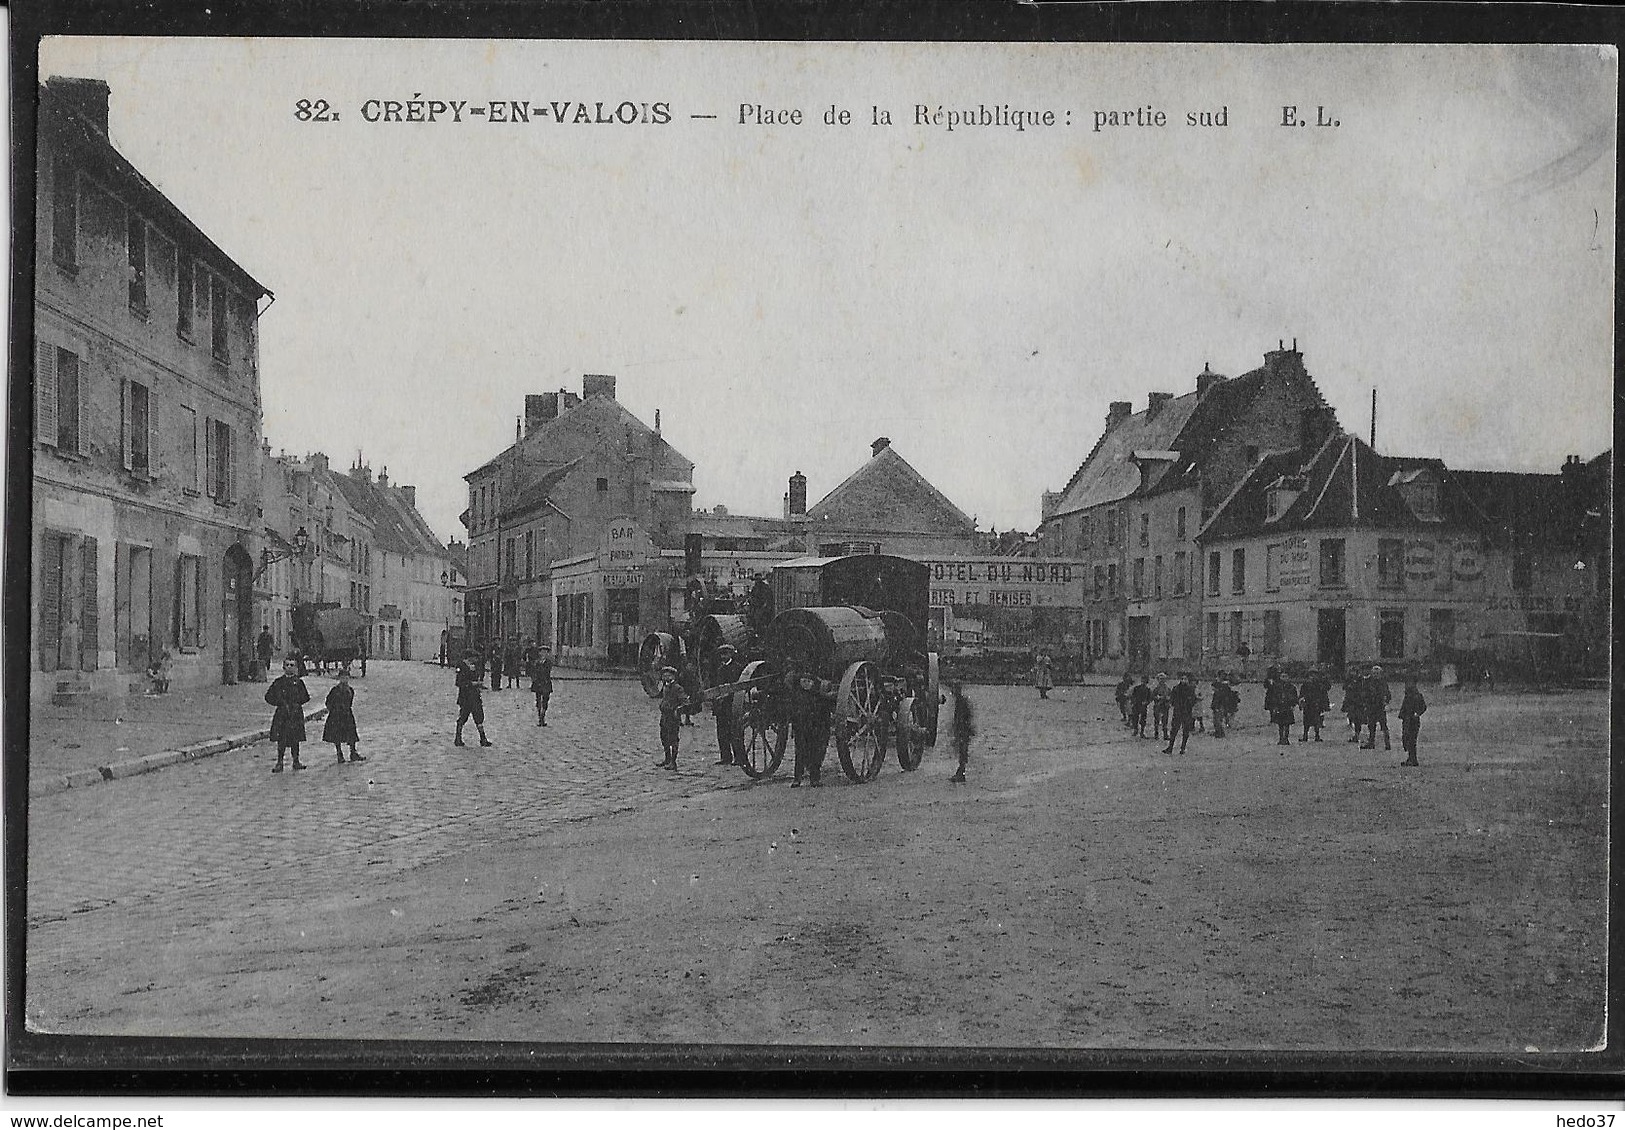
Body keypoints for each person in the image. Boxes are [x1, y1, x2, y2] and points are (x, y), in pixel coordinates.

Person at [265, 658, 311, 772]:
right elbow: (268, 696)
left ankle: (296, 761)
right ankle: (280, 762)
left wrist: (296, 704)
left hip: (295, 715)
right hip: (283, 715)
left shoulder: (299, 682)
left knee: (295, 739)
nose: (290, 667)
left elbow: (305, 697)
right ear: (284, 667)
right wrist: (279, 703)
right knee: (282, 739)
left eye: (292, 665)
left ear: (295, 668)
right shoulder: (278, 682)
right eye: (287, 665)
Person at [787, 666, 829, 788]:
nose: (806, 684)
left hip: (816, 729)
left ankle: (814, 778)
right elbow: (793, 713)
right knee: (800, 752)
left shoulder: (819, 696)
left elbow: (825, 715)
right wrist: (793, 729)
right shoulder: (796, 697)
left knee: (815, 752)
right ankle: (797, 778)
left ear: (813, 683)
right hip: (801, 729)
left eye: (809, 682)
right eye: (803, 681)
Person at [710, 644, 746, 766]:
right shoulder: (719, 669)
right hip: (721, 706)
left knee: (734, 731)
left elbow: (739, 687)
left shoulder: (738, 668)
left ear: (731, 654)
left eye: (726, 654)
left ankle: (738, 757)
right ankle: (725, 757)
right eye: (722, 654)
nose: (723, 656)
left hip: (732, 704)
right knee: (721, 732)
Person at [323, 669, 364, 763]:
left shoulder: (350, 690)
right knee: (337, 735)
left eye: (346, 678)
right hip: (336, 715)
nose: (344, 680)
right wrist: (333, 710)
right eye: (342, 678)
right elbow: (328, 701)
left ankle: (353, 752)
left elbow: (350, 702)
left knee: (351, 734)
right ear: (339, 679)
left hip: (347, 714)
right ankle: (339, 754)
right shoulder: (335, 690)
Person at [455, 652, 493, 747]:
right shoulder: (462, 667)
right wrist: (472, 684)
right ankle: (458, 738)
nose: (477, 660)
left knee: (478, 716)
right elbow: (459, 682)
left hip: (474, 696)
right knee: (463, 716)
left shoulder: (474, 666)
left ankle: (483, 738)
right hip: (465, 696)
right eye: (475, 658)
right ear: (470, 657)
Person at [655, 666, 687, 770]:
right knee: (664, 738)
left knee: (673, 739)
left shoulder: (677, 688)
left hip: (673, 717)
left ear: (673, 676)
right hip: (664, 716)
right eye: (664, 675)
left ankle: (673, 762)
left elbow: (684, 702)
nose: (665, 677)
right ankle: (667, 759)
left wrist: (677, 710)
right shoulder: (665, 687)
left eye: (668, 675)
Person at [947, 679, 975, 783]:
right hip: (963, 729)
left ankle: (961, 774)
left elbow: (963, 717)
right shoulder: (961, 701)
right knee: (962, 752)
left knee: (962, 752)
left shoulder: (961, 702)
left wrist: (959, 728)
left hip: (963, 730)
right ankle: (960, 773)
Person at [1164, 673, 1197, 755]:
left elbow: (1193, 700)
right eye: (1182, 679)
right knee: (1174, 730)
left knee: (1186, 731)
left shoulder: (1190, 689)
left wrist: (1188, 705)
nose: (1183, 680)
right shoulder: (1176, 688)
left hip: (1186, 712)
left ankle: (1183, 748)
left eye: (1185, 679)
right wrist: (1174, 704)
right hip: (1178, 712)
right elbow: (1172, 699)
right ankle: (1170, 747)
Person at [1398, 677, 1427, 766]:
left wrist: (1417, 713)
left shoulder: (1416, 695)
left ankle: (1412, 759)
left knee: (1411, 740)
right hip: (1407, 720)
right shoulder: (1409, 695)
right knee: (1407, 739)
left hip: (1413, 721)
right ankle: (1411, 758)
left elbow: (1423, 707)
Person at [1363, 664, 1393, 750]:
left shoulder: (1383, 683)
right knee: (1371, 726)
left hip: (1379, 707)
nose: (1375, 675)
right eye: (1374, 673)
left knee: (1383, 726)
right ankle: (1371, 742)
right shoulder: (1369, 682)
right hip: (1372, 707)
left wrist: (1385, 702)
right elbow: (1365, 694)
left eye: (1377, 673)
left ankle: (1387, 744)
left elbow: (1388, 694)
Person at [1265, 672, 1298, 748]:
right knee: (1280, 724)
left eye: (1286, 676)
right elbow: (1274, 697)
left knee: (1287, 724)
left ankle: (1286, 738)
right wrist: (1275, 706)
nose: (1284, 678)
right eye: (1282, 676)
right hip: (1280, 707)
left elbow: (1294, 697)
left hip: (1287, 707)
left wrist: (1293, 705)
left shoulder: (1291, 687)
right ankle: (1280, 738)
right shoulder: (1276, 687)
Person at [1300, 667, 1330, 742]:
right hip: (1308, 704)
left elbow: (1324, 694)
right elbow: (1302, 694)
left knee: (1317, 721)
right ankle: (1305, 735)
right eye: (1311, 674)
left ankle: (1317, 735)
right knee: (1306, 721)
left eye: (1314, 674)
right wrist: (1301, 702)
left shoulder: (1320, 684)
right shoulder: (1305, 684)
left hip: (1317, 704)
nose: (1312, 676)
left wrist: (1324, 704)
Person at [530, 645, 554, 726]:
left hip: (546, 683)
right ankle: (540, 717)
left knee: (545, 700)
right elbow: (533, 672)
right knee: (538, 700)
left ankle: (542, 715)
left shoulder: (548, 663)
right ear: (539, 653)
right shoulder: (536, 662)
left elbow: (546, 671)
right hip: (538, 683)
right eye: (542, 652)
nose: (543, 653)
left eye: (545, 652)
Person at [1151, 673, 1171, 740]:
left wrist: (1168, 699)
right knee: (1157, 720)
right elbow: (1152, 696)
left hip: (1165, 706)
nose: (1162, 681)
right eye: (1160, 679)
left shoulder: (1167, 688)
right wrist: (1157, 697)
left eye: (1163, 679)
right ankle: (1156, 734)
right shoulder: (1156, 688)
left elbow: (1171, 696)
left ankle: (1165, 735)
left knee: (1165, 720)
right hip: (1158, 705)